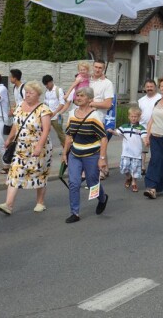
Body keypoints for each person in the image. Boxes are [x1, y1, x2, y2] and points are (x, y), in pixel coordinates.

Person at [0, 81, 52, 215]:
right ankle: (8, 205)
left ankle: (40, 202)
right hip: (20, 146)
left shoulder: (43, 109)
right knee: (14, 172)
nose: (27, 95)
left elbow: (46, 130)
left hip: (39, 147)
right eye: (26, 92)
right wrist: (9, 138)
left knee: (39, 174)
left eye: (31, 93)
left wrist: (39, 146)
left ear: (38, 95)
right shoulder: (20, 105)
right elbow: (16, 124)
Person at [62, 87, 109, 223]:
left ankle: (102, 198)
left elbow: (103, 138)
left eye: (82, 96)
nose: (78, 98)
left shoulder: (95, 116)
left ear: (90, 99)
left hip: (92, 155)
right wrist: (65, 153)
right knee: (74, 183)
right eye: (77, 95)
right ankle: (74, 213)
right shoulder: (71, 114)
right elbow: (69, 135)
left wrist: (102, 158)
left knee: (92, 181)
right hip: (75, 154)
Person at [107, 107, 147, 193]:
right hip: (126, 152)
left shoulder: (141, 128)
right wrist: (112, 131)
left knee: (135, 170)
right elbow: (117, 133)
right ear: (129, 117)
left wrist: (146, 141)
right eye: (132, 116)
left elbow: (144, 137)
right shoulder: (124, 127)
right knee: (124, 168)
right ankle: (129, 177)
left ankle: (134, 182)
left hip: (136, 153)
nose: (133, 118)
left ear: (139, 118)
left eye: (136, 116)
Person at [138, 79, 162, 175]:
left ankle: (155, 167)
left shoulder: (160, 98)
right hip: (143, 127)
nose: (149, 89)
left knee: (155, 149)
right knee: (142, 149)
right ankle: (142, 167)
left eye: (151, 87)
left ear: (155, 87)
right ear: (144, 88)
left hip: (157, 127)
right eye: (147, 87)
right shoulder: (141, 100)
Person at [42, 75, 66, 147]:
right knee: (45, 133)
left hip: (57, 117)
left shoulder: (58, 90)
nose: (46, 86)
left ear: (51, 82)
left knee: (60, 133)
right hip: (48, 116)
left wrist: (54, 112)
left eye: (47, 84)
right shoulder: (47, 92)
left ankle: (66, 149)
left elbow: (62, 103)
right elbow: (45, 103)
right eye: (45, 84)